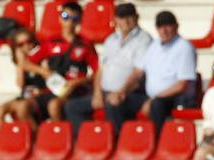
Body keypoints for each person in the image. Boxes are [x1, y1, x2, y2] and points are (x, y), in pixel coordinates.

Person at [63, 3, 152, 139]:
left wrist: (121, 91)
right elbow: (101, 69)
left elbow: (138, 72)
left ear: (136, 17)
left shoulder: (144, 39)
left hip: (131, 92)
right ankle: (90, 140)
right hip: (106, 92)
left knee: (113, 104)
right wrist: (97, 93)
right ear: (116, 19)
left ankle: (116, 144)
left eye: (129, 17)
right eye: (121, 17)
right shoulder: (111, 40)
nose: (125, 21)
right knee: (72, 107)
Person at [108, 10, 198, 140]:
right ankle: (123, 141)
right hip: (152, 97)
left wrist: (153, 100)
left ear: (176, 26)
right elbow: (138, 72)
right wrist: (121, 92)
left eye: (167, 26)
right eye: (160, 26)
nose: (164, 30)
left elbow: (181, 85)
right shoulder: (154, 45)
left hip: (175, 98)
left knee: (157, 106)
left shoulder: (184, 48)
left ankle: (156, 143)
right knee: (116, 103)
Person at [16, 2, 99, 122]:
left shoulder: (86, 44)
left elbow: (98, 72)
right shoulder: (50, 42)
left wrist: (77, 82)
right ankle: (36, 138)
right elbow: (26, 63)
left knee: (54, 106)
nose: (69, 21)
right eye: (65, 16)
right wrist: (44, 71)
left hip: (74, 91)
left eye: (74, 18)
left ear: (80, 20)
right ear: (60, 18)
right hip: (52, 89)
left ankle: (60, 137)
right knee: (23, 107)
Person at [0, 28, 48, 126]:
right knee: (0, 110)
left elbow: (47, 77)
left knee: (22, 108)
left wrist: (30, 65)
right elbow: (20, 84)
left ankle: (34, 137)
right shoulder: (21, 62)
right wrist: (21, 63)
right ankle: (3, 138)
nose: (26, 46)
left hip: (40, 95)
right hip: (25, 95)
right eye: (21, 44)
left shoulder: (43, 58)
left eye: (28, 42)